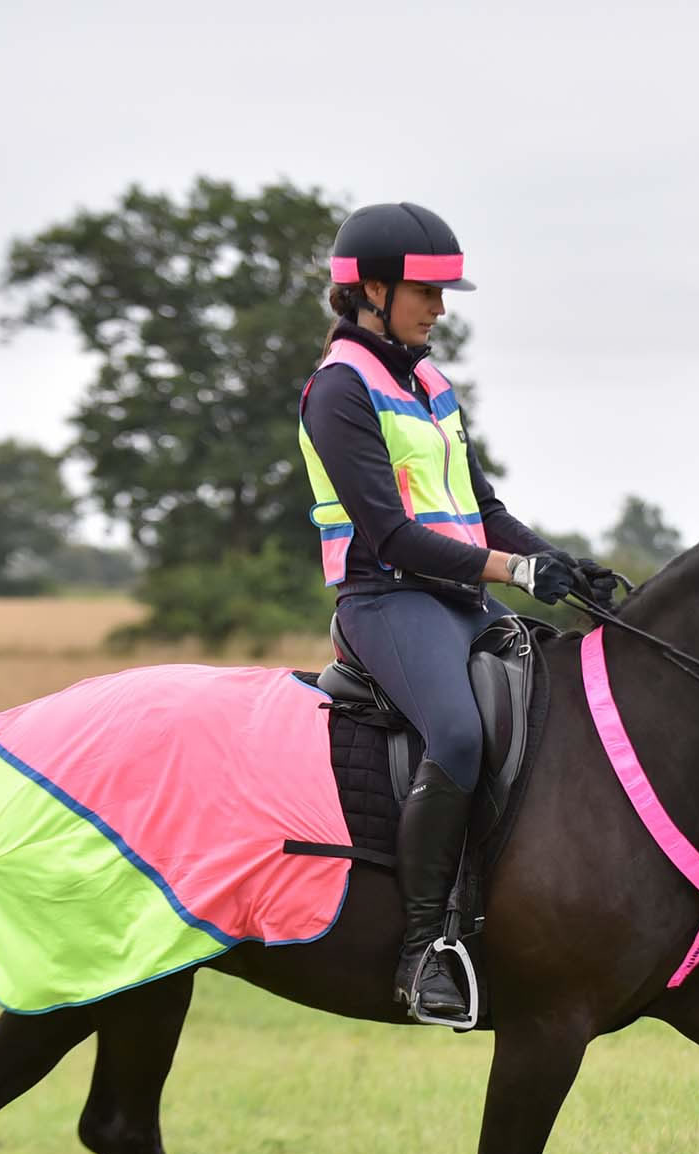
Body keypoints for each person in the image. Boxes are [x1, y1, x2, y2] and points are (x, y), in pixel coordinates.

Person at [298, 202, 615, 1025]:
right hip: (387, 602)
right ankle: (421, 951)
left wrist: (564, 567)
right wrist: (514, 569)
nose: (440, 309)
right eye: (426, 293)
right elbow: (394, 535)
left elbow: (481, 509)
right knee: (462, 736)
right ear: (370, 288)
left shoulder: (430, 383)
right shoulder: (338, 392)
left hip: (461, 602)